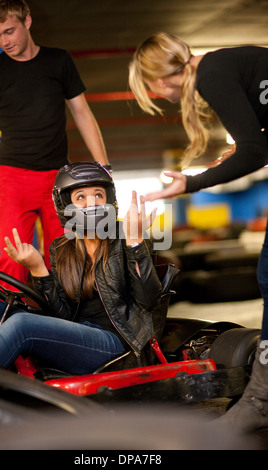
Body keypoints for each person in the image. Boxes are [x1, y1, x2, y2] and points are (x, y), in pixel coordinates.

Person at [129, 32, 268, 433]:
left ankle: (260, 399)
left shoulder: (211, 72)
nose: (154, 96)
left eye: (149, 88)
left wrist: (189, 184)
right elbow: (258, 147)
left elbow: (254, 152)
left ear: (160, 78)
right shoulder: (223, 65)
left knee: (267, 273)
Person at [0, 162, 163, 374]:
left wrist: (135, 242)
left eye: (98, 195)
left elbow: (149, 300)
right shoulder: (61, 248)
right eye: (80, 197)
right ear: (66, 205)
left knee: (21, 325)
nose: (91, 203)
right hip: (79, 335)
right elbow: (61, 316)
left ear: (109, 199)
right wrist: (37, 268)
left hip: (118, 343)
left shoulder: (127, 236)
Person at [0, 0, 109, 284]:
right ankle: (15, 323)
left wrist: (103, 168)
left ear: (27, 22)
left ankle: (64, 324)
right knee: (13, 259)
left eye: (9, 31)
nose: (3, 41)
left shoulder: (59, 61)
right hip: (14, 178)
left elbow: (83, 114)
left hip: (59, 179)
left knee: (66, 256)